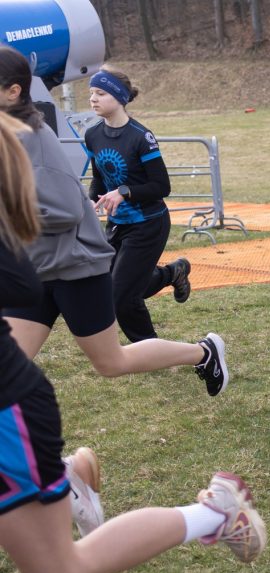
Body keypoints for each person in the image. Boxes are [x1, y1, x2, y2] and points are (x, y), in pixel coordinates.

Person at [0, 112, 265, 573]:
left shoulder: (37, 137)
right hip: (42, 307)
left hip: (73, 273)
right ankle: (63, 475)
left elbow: (54, 220)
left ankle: (211, 509)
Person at [0, 46, 229, 399]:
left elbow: (65, 209)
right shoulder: (18, 134)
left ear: (13, 91)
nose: (93, 99)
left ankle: (203, 352)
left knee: (112, 359)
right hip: (38, 266)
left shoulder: (33, 139)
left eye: (100, 93)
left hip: (77, 265)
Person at [83, 66, 194, 344]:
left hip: (149, 224)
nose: (93, 99)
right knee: (114, 287)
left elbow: (161, 187)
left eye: (100, 93)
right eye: (91, 93)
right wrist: (91, 200)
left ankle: (150, 349)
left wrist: (124, 192)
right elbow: (99, 178)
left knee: (121, 297)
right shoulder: (92, 135)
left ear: (119, 97)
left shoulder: (141, 137)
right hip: (118, 224)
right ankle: (173, 273)